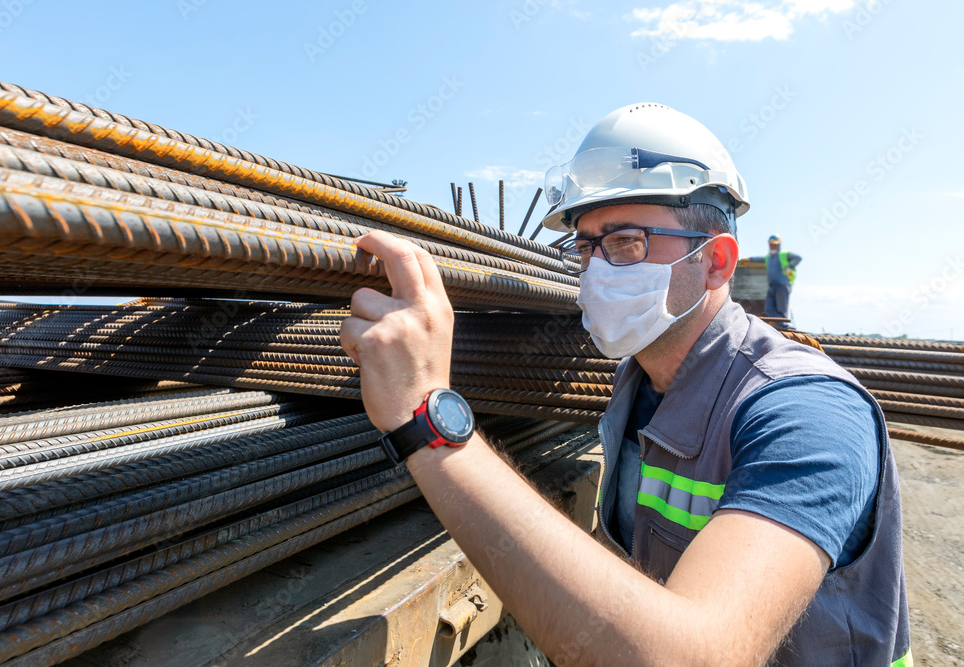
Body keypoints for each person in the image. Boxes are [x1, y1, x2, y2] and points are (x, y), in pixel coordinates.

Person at [339, 103, 911, 666]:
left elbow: (690, 658)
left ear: (716, 262)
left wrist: (427, 419)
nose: (596, 269)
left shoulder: (808, 411)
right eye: (586, 246)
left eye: (626, 242)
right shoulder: (636, 383)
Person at [748, 235, 801, 321]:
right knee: (768, 309)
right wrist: (750, 259)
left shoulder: (784, 254)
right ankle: (781, 324)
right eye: (771, 244)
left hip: (782, 285)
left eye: (775, 244)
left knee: (781, 310)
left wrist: (790, 266)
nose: (772, 246)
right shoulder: (769, 257)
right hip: (772, 286)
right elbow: (761, 259)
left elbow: (798, 258)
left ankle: (783, 325)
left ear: (779, 245)